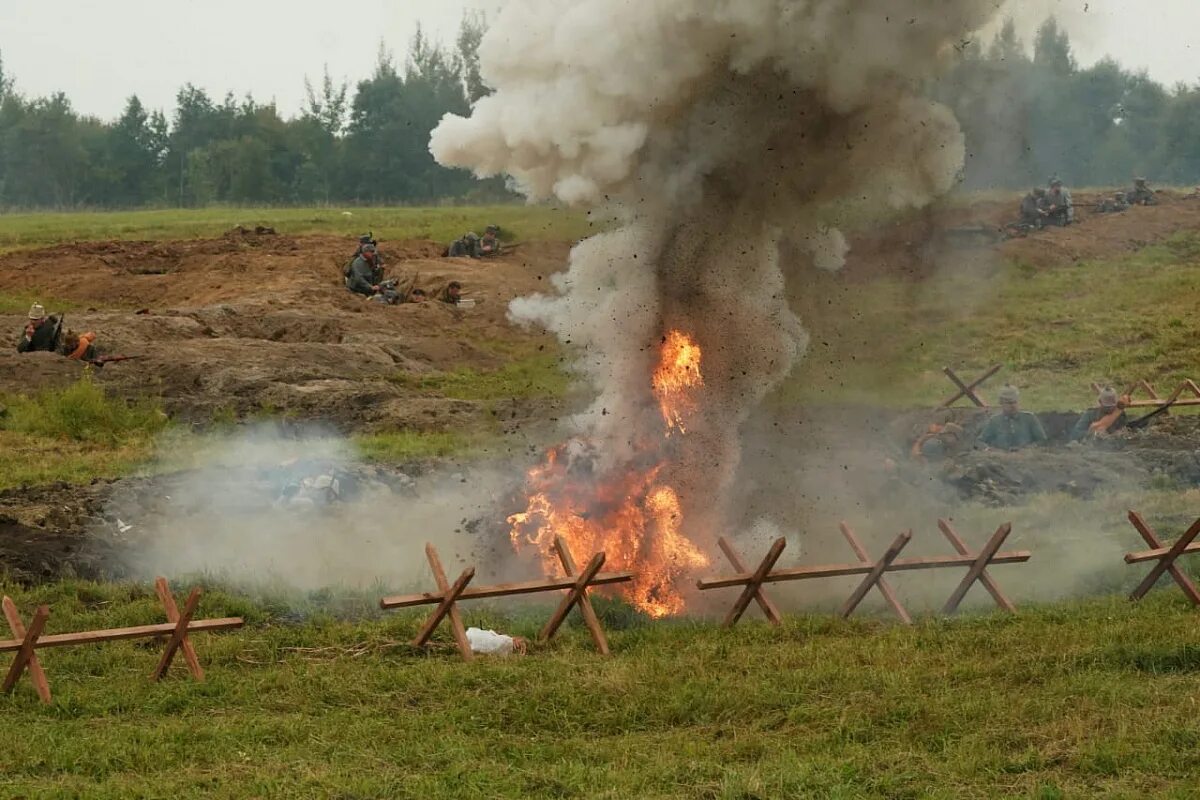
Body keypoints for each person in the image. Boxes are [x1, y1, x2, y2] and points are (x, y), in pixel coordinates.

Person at [978, 385, 1047, 451]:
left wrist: (1029, 449)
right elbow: (979, 442)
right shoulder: (995, 421)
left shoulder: (1029, 418)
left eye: (1015, 402)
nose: (1013, 406)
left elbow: (1042, 440)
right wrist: (989, 450)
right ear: (1001, 403)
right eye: (1009, 403)